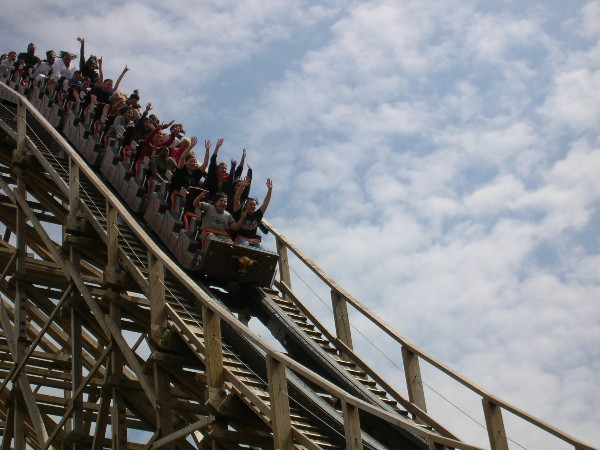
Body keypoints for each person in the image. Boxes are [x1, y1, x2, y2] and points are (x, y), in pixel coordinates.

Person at [232, 178, 272, 247]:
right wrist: (241, 186)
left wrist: (270, 190)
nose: (252, 206)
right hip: (241, 240)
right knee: (245, 245)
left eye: (254, 205)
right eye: (250, 204)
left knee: (264, 250)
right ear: (245, 205)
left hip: (253, 241)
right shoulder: (240, 212)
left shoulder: (257, 215)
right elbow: (236, 199)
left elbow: (265, 203)